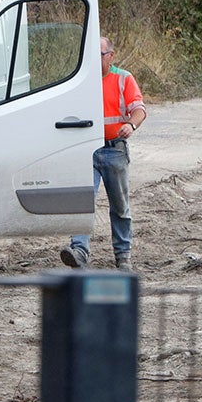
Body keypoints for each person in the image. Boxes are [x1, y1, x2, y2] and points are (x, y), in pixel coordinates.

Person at [59, 38, 145, 271]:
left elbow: (138, 109)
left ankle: (123, 255)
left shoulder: (123, 78)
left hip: (114, 149)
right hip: (86, 148)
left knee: (119, 205)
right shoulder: (80, 80)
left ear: (110, 56)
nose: (93, 61)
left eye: (98, 55)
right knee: (83, 199)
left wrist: (131, 125)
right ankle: (79, 251)